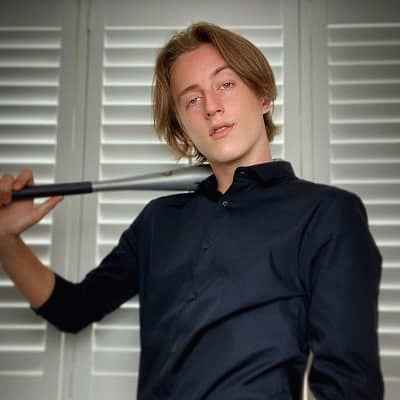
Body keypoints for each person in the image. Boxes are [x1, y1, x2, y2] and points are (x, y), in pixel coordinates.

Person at [0, 22, 384, 400]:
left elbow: (350, 386)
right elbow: (72, 310)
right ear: (182, 128)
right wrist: (4, 238)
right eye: (192, 100)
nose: (212, 107)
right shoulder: (158, 221)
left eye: (226, 84)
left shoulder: (327, 214)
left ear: (264, 96)